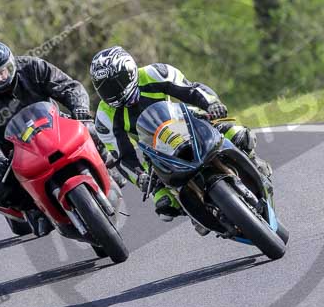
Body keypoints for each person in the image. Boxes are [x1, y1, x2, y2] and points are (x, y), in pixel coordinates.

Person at [90, 46, 272, 219]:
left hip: (185, 122)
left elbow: (191, 90)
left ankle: (253, 160)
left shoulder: (155, 73)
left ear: (130, 72)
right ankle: (200, 214)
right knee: (163, 204)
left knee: (239, 135)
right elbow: (123, 157)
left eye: (115, 84)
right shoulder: (104, 116)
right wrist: (140, 177)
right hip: (154, 151)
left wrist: (212, 104)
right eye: (105, 88)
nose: (112, 92)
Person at [0, 40, 115, 236]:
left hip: (55, 126)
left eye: (3, 71)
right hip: (15, 149)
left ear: (12, 64)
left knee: (91, 130)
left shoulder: (33, 67)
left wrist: (79, 108)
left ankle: (107, 166)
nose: (0, 78)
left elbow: (69, 87)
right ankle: (35, 210)